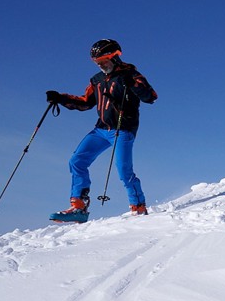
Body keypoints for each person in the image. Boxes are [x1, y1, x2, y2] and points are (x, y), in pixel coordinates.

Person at [47, 39, 158, 223]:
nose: (101, 66)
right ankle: (79, 207)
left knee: (123, 170)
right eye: (98, 63)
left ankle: (138, 207)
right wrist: (60, 98)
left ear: (115, 57)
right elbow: (85, 102)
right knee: (77, 161)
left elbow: (151, 97)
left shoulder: (131, 74)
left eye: (104, 62)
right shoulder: (96, 80)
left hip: (123, 129)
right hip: (101, 130)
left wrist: (132, 83)